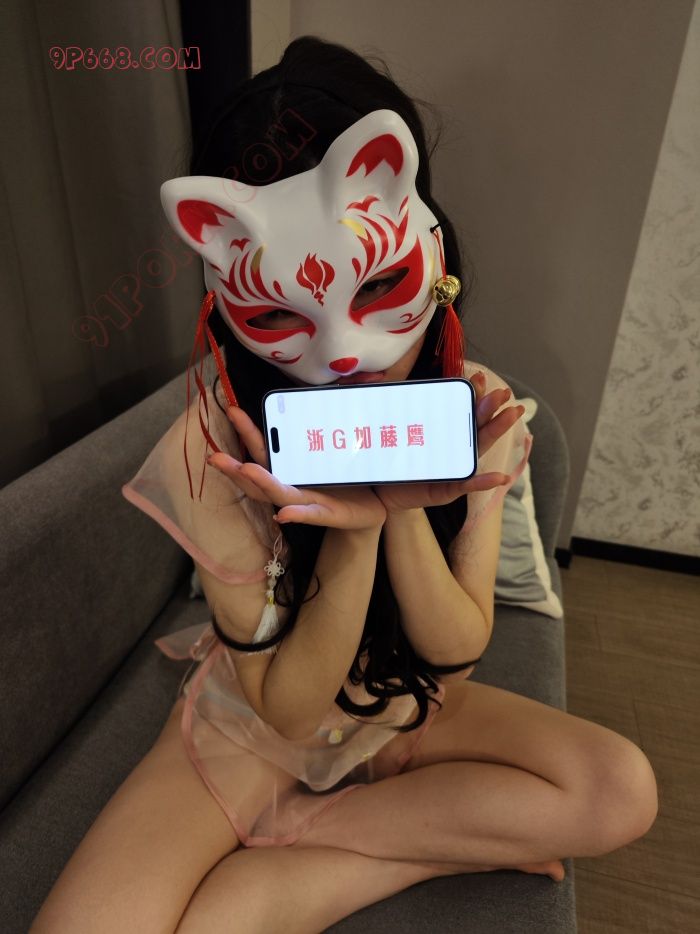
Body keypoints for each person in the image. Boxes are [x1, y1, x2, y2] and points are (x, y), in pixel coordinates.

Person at [32, 35, 658, 934]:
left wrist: (400, 510)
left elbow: (454, 654)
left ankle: (319, 843)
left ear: (431, 252)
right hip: (254, 729)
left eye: (377, 288)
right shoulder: (208, 448)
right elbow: (287, 711)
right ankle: (412, 844)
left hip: (403, 710)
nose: (339, 353)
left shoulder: (478, 413)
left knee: (618, 787)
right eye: (281, 311)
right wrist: (353, 530)